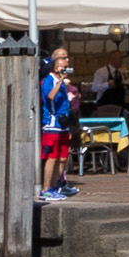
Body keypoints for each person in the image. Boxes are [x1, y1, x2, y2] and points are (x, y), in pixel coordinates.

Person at [38, 48, 79, 201]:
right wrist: (61, 80)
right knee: (51, 157)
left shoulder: (61, 82)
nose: (66, 61)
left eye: (67, 58)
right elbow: (50, 97)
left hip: (63, 124)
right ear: (55, 63)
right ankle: (46, 189)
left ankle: (55, 186)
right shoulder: (49, 80)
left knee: (63, 157)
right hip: (52, 125)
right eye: (63, 58)